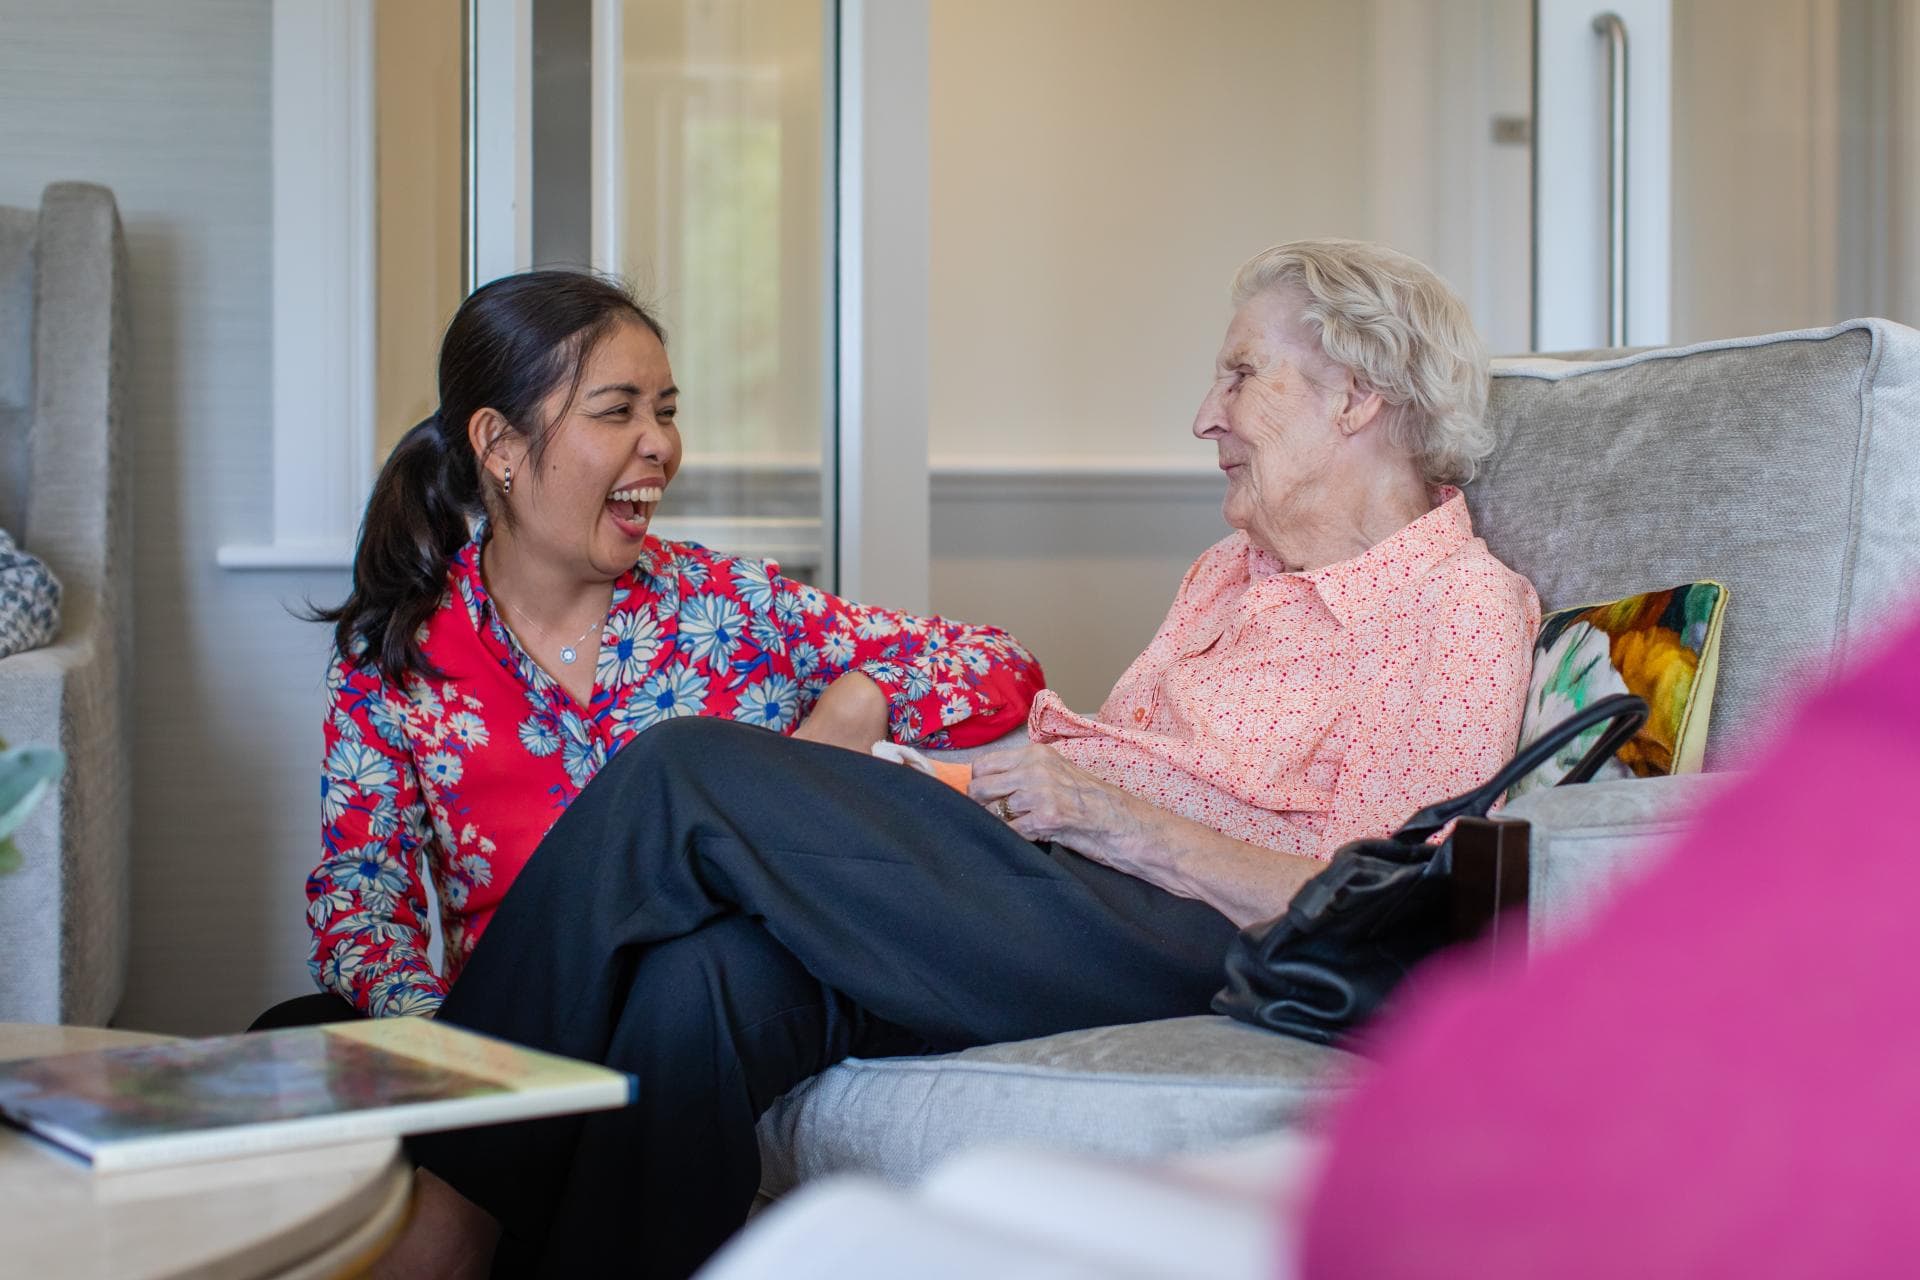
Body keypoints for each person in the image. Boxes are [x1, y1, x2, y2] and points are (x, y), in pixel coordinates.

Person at [380, 239, 1543, 1277]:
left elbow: (1379, 908)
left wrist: (1105, 814)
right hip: (1060, 876)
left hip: (1212, 935)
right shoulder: (1228, 574)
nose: (1205, 413)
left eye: (1241, 374)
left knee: (681, 771)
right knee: (708, 984)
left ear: (1357, 397)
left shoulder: (1458, 603)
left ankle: (450, 1209)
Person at [290, 270, 1046, 1025]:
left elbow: (999, 660)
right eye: (618, 411)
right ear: (498, 444)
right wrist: (449, 1055)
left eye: (666, 411)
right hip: (525, 1026)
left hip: (710, 1009)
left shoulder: (732, 606)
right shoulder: (395, 655)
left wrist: (866, 697)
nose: (661, 445)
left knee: (691, 984)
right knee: (289, 1032)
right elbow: (361, 903)